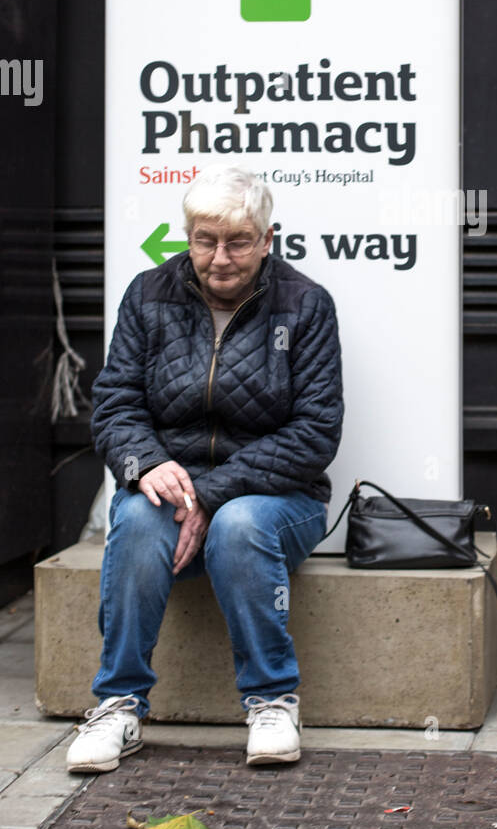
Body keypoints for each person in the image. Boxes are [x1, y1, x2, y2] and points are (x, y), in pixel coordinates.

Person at [66, 165, 343, 770]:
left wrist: (211, 496)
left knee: (239, 525)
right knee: (138, 518)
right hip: (173, 490)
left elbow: (316, 433)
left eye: (239, 241)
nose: (220, 257)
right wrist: (145, 465)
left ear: (268, 239)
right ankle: (118, 705)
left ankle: (272, 700)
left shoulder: (306, 305)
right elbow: (115, 405)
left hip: (278, 501)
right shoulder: (147, 294)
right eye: (204, 239)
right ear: (187, 237)